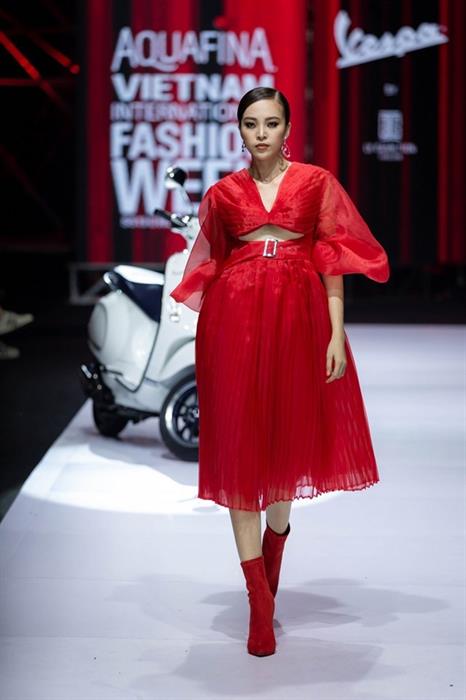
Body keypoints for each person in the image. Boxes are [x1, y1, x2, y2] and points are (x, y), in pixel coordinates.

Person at [170, 87, 390, 657]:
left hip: (299, 317)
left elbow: (332, 259)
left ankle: (273, 557)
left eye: (271, 123)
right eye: (251, 123)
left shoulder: (316, 183)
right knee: (241, 453)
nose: (261, 133)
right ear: (240, 130)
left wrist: (336, 333)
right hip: (234, 322)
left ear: (287, 127)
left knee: (286, 449)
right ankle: (258, 603)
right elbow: (212, 263)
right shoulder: (223, 194)